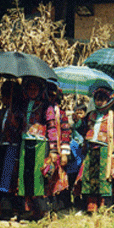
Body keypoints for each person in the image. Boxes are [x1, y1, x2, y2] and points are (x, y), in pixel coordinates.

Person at [73, 85, 114, 213]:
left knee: (104, 178)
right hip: (91, 149)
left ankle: (104, 205)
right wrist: (78, 122)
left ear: (109, 100)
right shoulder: (91, 115)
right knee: (89, 177)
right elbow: (82, 129)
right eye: (97, 98)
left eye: (103, 98)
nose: (99, 101)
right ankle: (91, 205)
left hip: (105, 150)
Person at [0, 80, 23, 220]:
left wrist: (15, 124)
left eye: (8, 96)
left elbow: (19, 132)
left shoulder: (19, 114)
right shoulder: (0, 114)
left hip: (11, 149)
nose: (5, 99)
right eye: (4, 96)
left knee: (7, 180)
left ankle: (7, 209)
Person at [18, 77, 49, 220]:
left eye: (35, 89)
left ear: (40, 90)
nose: (32, 91)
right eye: (29, 89)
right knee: (25, 175)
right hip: (25, 142)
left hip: (40, 144)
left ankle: (41, 211)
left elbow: (52, 126)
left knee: (38, 176)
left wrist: (54, 149)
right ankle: (27, 209)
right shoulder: (22, 105)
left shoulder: (45, 106)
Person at [42, 82, 71, 212]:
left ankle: (55, 205)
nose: (51, 97)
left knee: (55, 174)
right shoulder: (40, 109)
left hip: (56, 148)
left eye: (54, 95)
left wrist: (64, 152)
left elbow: (65, 132)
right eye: (49, 94)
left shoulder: (61, 113)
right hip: (42, 147)